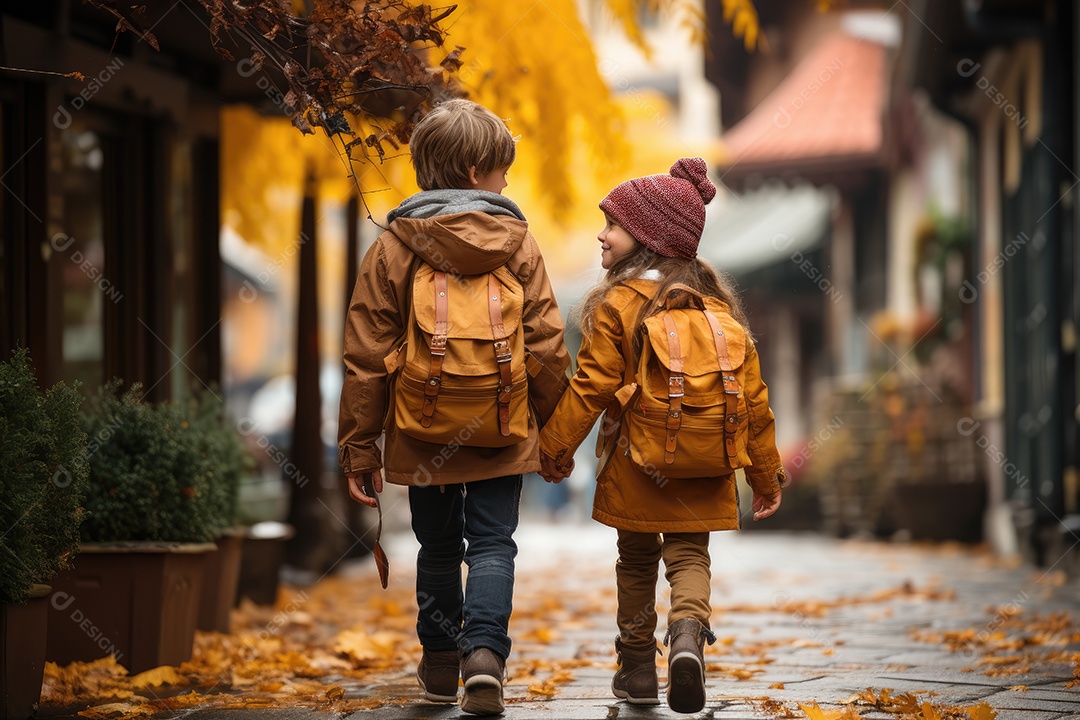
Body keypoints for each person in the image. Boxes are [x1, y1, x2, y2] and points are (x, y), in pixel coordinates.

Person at [339, 99, 570, 715]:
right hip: (502, 421)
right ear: (474, 172)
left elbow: (366, 353)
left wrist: (361, 446)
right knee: (494, 545)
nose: (505, 182)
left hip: (422, 426)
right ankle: (485, 657)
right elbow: (546, 344)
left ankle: (441, 661)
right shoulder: (518, 244)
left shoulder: (393, 245)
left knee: (436, 547)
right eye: (500, 170)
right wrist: (556, 431)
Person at [536, 158, 786, 714]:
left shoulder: (615, 306)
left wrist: (553, 448)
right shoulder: (720, 313)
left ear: (646, 238)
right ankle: (688, 639)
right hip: (707, 463)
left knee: (636, 560)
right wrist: (764, 475)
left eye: (613, 225)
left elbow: (589, 387)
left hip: (636, 463)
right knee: (691, 556)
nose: (601, 234)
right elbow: (754, 402)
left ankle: (637, 670)